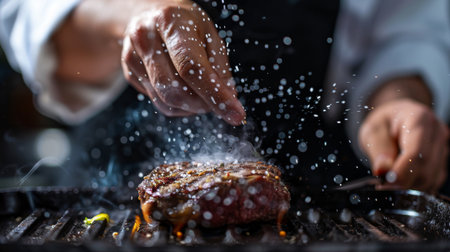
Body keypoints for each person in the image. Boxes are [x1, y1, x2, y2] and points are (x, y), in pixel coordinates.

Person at [0, 0, 448, 192]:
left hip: (322, 181)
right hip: (115, 175)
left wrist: (394, 102)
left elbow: (408, 25)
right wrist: (137, 15)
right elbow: (30, 10)